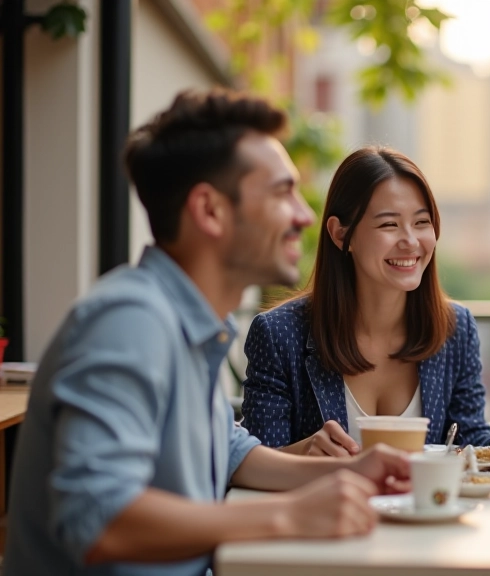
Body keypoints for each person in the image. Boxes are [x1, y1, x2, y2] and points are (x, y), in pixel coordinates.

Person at [5, 90, 412, 576]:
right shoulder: (133, 321)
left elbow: (233, 451)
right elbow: (98, 519)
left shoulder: (192, 324)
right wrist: (290, 514)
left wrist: (349, 469)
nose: (304, 216)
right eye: (283, 193)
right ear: (210, 210)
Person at [242, 146, 490, 465]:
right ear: (341, 235)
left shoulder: (456, 327)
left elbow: (462, 434)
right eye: (388, 225)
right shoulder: (278, 334)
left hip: (425, 514)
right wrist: (302, 453)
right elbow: (250, 461)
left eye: (421, 223)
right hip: (326, 513)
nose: (410, 241)